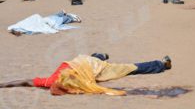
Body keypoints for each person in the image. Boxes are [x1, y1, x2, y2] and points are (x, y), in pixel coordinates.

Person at [0, 53, 172, 96]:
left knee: (129, 68)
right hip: (83, 59)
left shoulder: (50, 81)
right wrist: (3, 84)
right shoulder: (50, 80)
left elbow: (25, 81)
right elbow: (24, 81)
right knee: (94, 58)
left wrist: (3, 84)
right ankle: (100, 54)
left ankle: (161, 64)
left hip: (95, 67)